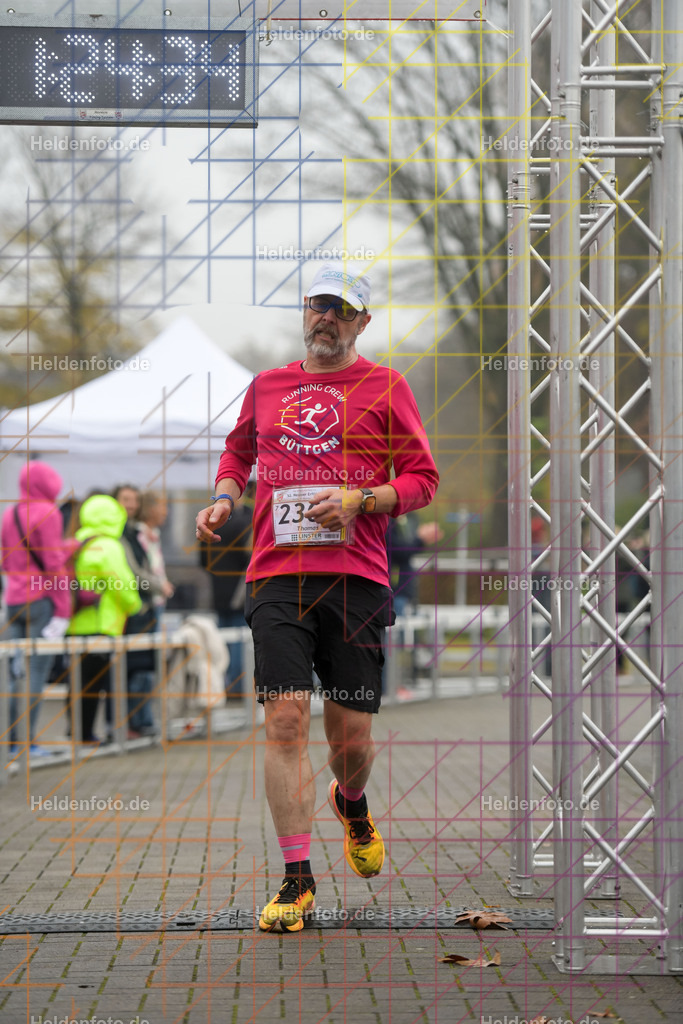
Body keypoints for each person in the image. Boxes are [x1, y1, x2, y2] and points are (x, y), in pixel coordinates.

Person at [196, 261, 439, 933]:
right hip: (276, 576)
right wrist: (224, 497)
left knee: (351, 738)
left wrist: (363, 499)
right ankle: (296, 880)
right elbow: (236, 453)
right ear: (302, 313)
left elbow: (422, 478)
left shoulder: (386, 386)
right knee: (282, 721)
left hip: (357, 578)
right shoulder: (267, 386)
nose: (324, 317)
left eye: (340, 308)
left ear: (361, 322)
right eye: (316, 305)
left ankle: (352, 803)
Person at [1, 460, 72, 754]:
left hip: (13, 602)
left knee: (12, 675)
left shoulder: (9, 513)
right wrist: (63, 608)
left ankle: (10, 741)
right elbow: (53, 564)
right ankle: (27, 742)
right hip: (40, 601)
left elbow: (5, 561)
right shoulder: (49, 513)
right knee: (34, 675)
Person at [67, 494, 143, 743]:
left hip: (75, 622)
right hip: (103, 624)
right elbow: (122, 583)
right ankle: (98, 735)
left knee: (79, 683)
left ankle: (79, 733)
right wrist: (135, 605)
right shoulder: (109, 545)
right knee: (102, 684)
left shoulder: (77, 541)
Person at [199, 482, 254, 701]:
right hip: (240, 591)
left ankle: (226, 684)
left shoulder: (210, 522)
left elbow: (203, 559)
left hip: (218, 588)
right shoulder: (245, 522)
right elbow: (249, 558)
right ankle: (237, 686)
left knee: (221, 641)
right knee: (240, 640)